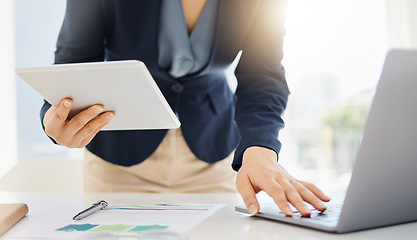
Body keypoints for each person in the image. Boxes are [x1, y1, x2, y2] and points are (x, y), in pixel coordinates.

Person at [41, 0, 330, 217]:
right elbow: (73, 61)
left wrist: (259, 151)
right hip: (121, 151)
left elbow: (262, 74)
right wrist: (55, 120)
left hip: (212, 150)